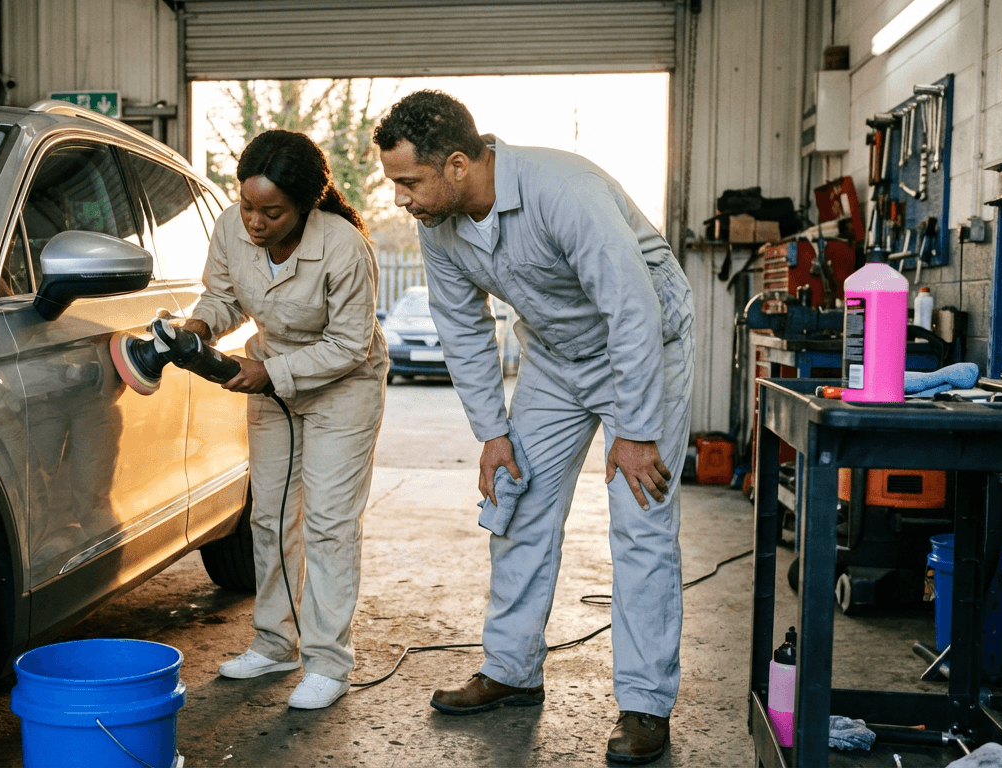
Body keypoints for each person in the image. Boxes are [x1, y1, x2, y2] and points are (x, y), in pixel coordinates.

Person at [374, 90, 694, 764]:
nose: (401, 198)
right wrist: (493, 433)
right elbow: (462, 329)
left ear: (457, 164)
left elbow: (631, 309)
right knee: (517, 501)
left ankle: (644, 705)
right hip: (554, 356)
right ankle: (511, 671)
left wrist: (637, 432)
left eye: (409, 181)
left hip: (644, 345)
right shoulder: (439, 225)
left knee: (640, 521)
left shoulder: (564, 190)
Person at [182, 129, 388, 710]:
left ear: (303, 205)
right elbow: (222, 297)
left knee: (328, 523)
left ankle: (328, 663)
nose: (254, 221)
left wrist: (270, 372)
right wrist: (198, 327)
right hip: (270, 377)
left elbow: (349, 345)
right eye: (247, 205)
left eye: (271, 213)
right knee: (269, 517)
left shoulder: (344, 247)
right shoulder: (231, 227)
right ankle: (276, 644)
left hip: (343, 387)